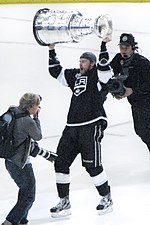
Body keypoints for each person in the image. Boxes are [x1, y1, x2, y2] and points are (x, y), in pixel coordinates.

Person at [47, 37, 113, 218]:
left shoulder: (97, 76)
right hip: (71, 127)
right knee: (60, 162)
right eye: (80, 61)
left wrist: (103, 45)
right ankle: (64, 201)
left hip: (91, 125)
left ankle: (106, 197)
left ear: (92, 64)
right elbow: (57, 73)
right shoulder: (76, 75)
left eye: (84, 61)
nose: (81, 63)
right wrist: (51, 50)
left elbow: (106, 70)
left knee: (92, 165)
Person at [2, 93, 42, 225]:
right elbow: (38, 136)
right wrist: (37, 118)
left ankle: (22, 219)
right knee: (29, 195)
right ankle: (11, 221)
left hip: (10, 161)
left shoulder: (13, 111)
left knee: (25, 191)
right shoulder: (27, 121)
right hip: (20, 163)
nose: (38, 108)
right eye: (37, 106)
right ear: (31, 107)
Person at [110, 33, 150, 153]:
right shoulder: (118, 59)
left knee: (146, 131)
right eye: (121, 47)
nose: (123, 50)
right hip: (136, 103)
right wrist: (115, 91)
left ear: (133, 47)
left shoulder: (142, 62)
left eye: (126, 47)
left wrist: (132, 90)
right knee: (140, 131)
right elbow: (109, 74)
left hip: (147, 101)